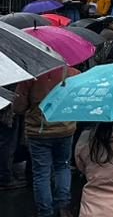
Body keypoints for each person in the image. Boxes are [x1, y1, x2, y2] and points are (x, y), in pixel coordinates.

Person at [13, 65, 80, 217]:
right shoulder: (73, 74)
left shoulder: (31, 77)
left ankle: (45, 211)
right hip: (65, 129)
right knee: (63, 167)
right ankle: (63, 205)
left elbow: (19, 107)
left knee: (41, 173)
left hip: (39, 132)